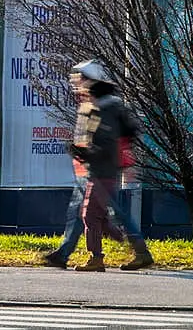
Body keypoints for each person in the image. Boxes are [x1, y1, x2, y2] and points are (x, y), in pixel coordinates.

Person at [47, 59, 154, 272]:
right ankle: (68, 253)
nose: (78, 85)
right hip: (93, 168)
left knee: (102, 213)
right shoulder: (98, 105)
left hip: (99, 169)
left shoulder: (103, 107)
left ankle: (126, 252)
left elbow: (103, 141)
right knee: (88, 212)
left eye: (81, 80)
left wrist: (85, 152)